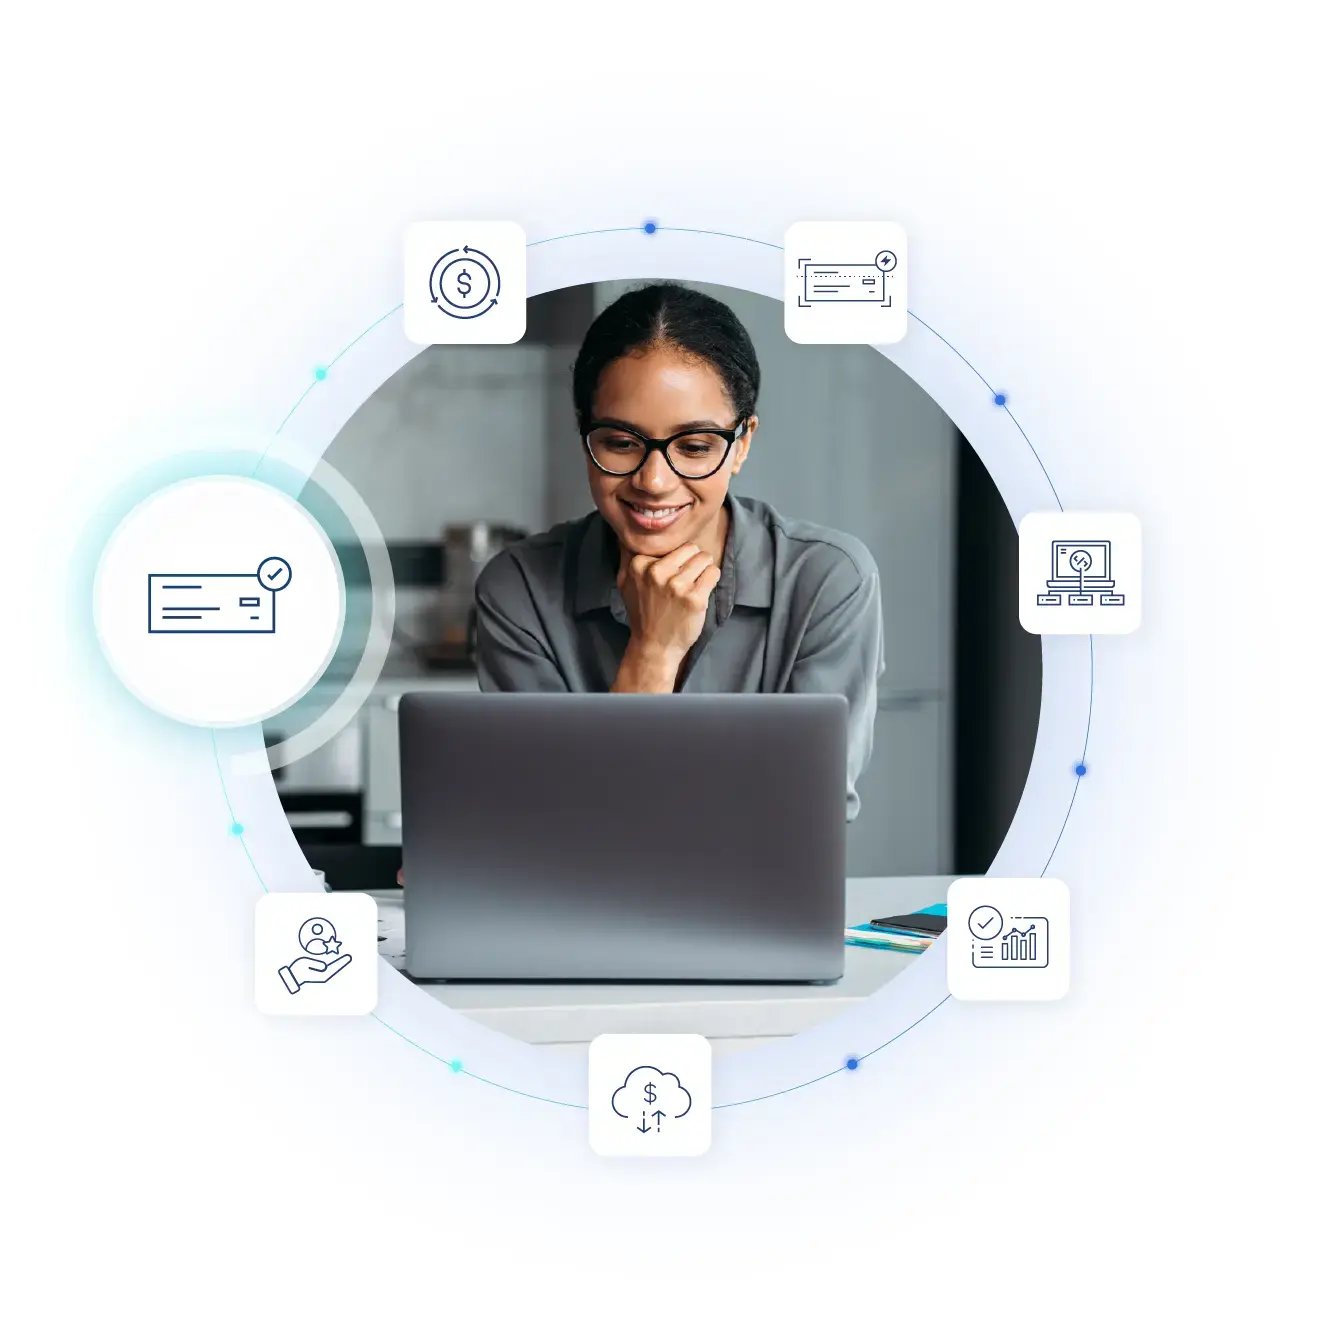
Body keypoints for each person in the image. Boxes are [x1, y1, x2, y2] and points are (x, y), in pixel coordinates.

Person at [474, 282, 885, 820]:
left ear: (741, 444)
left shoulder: (829, 580)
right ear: (585, 438)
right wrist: (652, 651)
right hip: (577, 903)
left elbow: (806, 815)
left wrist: (584, 802)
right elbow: (550, 823)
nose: (654, 481)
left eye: (693, 448)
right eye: (621, 443)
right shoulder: (518, 587)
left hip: (755, 899)